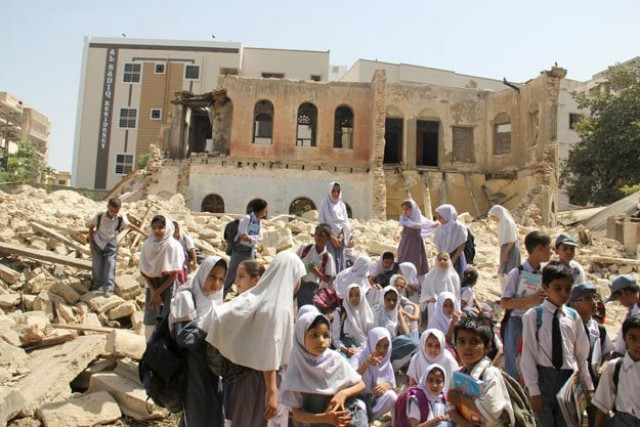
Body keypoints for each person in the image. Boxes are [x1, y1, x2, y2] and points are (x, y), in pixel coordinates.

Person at [206, 251, 307, 426]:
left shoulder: (257, 297)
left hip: (244, 377)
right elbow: (269, 349)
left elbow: (221, 317)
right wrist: (272, 392)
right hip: (260, 381)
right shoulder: (277, 307)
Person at [521, 261, 594, 427]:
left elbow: (581, 355)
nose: (563, 293)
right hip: (543, 378)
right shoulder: (534, 315)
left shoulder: (573, 316)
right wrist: (534, 391)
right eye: (558, 288)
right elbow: (529, 355)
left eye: (568, 289)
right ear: (545, 287)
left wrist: (588, 386)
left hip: (568, 379)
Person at [281, 312, 368, 427]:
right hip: (313, 422)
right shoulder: (297, 367)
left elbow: (360, 384)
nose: (321, 340)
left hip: (337, 419)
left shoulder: (335, 359)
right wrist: (325, 418)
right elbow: (296, 414)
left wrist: (343, 393)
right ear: (301, 337)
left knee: (357, 408)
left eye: (326, 335)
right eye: (314, 335)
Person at [169, 256, 227, 426]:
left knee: (209, 410)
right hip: (192, 366)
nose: (216, 284)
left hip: (210, 367)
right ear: (203, 274)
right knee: (198, 411)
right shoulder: (186, 297)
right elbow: (184, 336)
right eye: (212, 277)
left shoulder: (214, 299)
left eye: (221, 279)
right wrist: (212, 337)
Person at [500, 230, 550, 380]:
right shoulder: (517, 273)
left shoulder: (544, 275)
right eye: (548, 248)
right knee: (514, 363)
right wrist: (531, 300)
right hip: (517, 322)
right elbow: (505, 303)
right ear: (539, 249)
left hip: (537, 322)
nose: (551, 252)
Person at [446, 317, 515, 427]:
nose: (467, 347)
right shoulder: (458, 375)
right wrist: (464, 424)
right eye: (461, 342)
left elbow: (492, 412)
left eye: (474, 342)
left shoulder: (490, 374)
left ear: (487, 346)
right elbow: (450, 407)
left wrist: (460, 398)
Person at [567, 283, 614, 427]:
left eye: (595, 297)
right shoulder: (567, 327)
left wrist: (604, 366)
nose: (594, 302)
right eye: (587, 299)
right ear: (573, 304)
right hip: (573, 383)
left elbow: (607, 352)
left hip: (595, 383)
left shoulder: (599, 329)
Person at [140, 214, 185, 340]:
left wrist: (157, 292)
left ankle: (165, 347)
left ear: (168, 228)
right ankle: (150, 346)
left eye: (160, 227)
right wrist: (154, 292)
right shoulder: (147, 245)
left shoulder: (173, 246)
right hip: (152, 286)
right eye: (154, 227)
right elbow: (145, 271)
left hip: (167, 286)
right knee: (151, 318)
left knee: (167, 318)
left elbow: (173, 275)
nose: (157, 230)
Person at [88, 197, 145, 296]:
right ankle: (97, 285)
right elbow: (91, 227)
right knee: (97, 265)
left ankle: (109, 288)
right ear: (108, 207)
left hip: (111, 244)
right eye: (111, 210)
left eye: (116, 211)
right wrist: (91, 243)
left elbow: (130, 226)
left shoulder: (120, 217)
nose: (113, 213)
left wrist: (144, 234)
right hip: (98, 243)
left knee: (110, 264)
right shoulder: (100, 216)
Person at [592, 315, 640, 427]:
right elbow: (602, 403)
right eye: (633, 338)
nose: (638, 344)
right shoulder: (615, 367)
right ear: (624, 338)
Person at [350, 327, 398, 421]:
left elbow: (391, 383)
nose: (382, 350)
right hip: (358, 398)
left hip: (373, 399)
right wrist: (366, 364)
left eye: (386, 346)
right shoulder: (358, 357)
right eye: (378, 345)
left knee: (392, 397)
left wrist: (386, 385)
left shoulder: (385, 361)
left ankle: (368, 419)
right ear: (371, 343)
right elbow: (351, 380)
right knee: (361, 406)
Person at [223, 198, 267, 294]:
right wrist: (254, 239)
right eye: (264, 210)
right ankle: (220, 296)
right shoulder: (247, 219)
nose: (265, 212)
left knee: (251, 273)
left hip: (251, 250)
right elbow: (243, 236)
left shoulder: (259, 222)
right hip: (240, 249)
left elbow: (260, 237)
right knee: (231, 275)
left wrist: (251, 239)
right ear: (260, 210)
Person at [371, 285, 419, 370]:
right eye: (388, 299)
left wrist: (400, 315)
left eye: (394, 300)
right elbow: (374, 336)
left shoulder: (395, 313)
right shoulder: (376, 312)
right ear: (383, 298)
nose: (391, 303)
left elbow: (407, 334)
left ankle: (392, 369)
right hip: (378, 347)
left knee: (415, 344)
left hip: (392, 345)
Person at [296, 223, 337, 309]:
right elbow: (294, 261)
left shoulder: (327, 257)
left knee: (308, 310)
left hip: (311, 288)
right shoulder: (305, 248)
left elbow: (327, 279)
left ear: (328, 238)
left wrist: (316, 272)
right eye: (316, 234)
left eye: (321, 235)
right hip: (297, 282)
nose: (318, 237)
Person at [318, 181, 353, 274]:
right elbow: (321, 223)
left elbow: (345, 222)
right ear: (329, 191)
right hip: (328, 239)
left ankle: (338, 282)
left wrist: (340, 236)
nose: (336, 194)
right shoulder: (324, 204)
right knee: (330, 263)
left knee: (340, 263)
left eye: (338, 191)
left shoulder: (342, 205)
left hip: (340, 241)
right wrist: (332, 238)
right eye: (333, 191)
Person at [395, 199, 435, 278]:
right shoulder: (403, 218)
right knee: (403, 260)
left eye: (406, 209)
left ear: (413, 209)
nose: (404, 212)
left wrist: (439, 224)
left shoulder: (419, 218)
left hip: (416, 245)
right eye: (403, 209)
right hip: (406, 244)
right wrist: (398, 233)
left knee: (416, 262)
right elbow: (400, 226)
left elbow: (428, 225)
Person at [332, 284, 375, 357]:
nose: (354, 298)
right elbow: (335, 339)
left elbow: (372, 339)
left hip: (364, 348)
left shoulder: (368, 313)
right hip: (345, 348)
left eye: (357, 295)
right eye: (351, 295)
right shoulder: (340, 312)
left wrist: (359, 349)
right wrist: (346, 350)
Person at [605, 274, 640, 358]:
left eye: (618, 297)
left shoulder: (635, 313)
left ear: (623, 293)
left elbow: (620, 350)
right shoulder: (633, 310)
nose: (619, 302)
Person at [487, 205, 521, 291]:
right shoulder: (502, 224)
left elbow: (512, 240)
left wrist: (506, 252)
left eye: (494, 216)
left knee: (509, 273)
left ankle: (510, 294)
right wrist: (492, 231)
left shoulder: (508, 223)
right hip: (505, 249)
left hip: (511, 249)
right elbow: (504, 237)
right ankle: (505, 294)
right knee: (501, 273)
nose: (493, 219)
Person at [420, 253, 460, 323]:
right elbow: (424, 293)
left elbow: (457, 295)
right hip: (435, 302)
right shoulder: (430, 276)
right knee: (432, 306)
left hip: (450, 303)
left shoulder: (454, 276)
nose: (442, 261)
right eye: (440, 259)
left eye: (445, 259)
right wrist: (429, 298)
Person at [433, 204, 468, 277]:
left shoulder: (459, 227)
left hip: (456, 256)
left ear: (447, 216)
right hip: (443, 257)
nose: (438, 219)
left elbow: (462, 245)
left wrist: (453, 260)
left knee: (457, 277)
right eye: (438, 217)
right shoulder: (440, 228)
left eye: (441, 217)